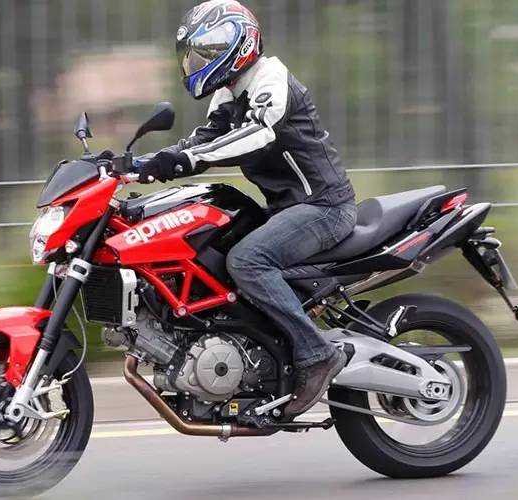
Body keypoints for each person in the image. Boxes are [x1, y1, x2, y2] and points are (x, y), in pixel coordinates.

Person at [139, 0, 356, 418]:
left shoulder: (270, 79)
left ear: (235, 44)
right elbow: (203, 141)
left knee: (247, 260)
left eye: (203, 53)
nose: (195, 64)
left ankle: (317, 354)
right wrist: (140, 165)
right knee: (214, 251)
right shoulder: (229, 92)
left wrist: (186, 159)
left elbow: (258, 133)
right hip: (287, 210)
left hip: (323, 206)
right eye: (193, 56)